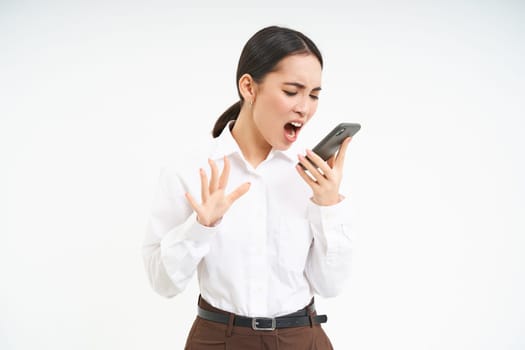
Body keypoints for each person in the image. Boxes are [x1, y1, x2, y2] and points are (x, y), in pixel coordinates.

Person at [142, 25, 353, 350]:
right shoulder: (190, 171)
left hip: (302, 338)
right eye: (292, 91)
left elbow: (331, 285)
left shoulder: (312, 177)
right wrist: (201, 227)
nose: (305, 108)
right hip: (218, 339)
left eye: (313, 95)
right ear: (249, 88)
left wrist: (329, 207)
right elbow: (163, 284)